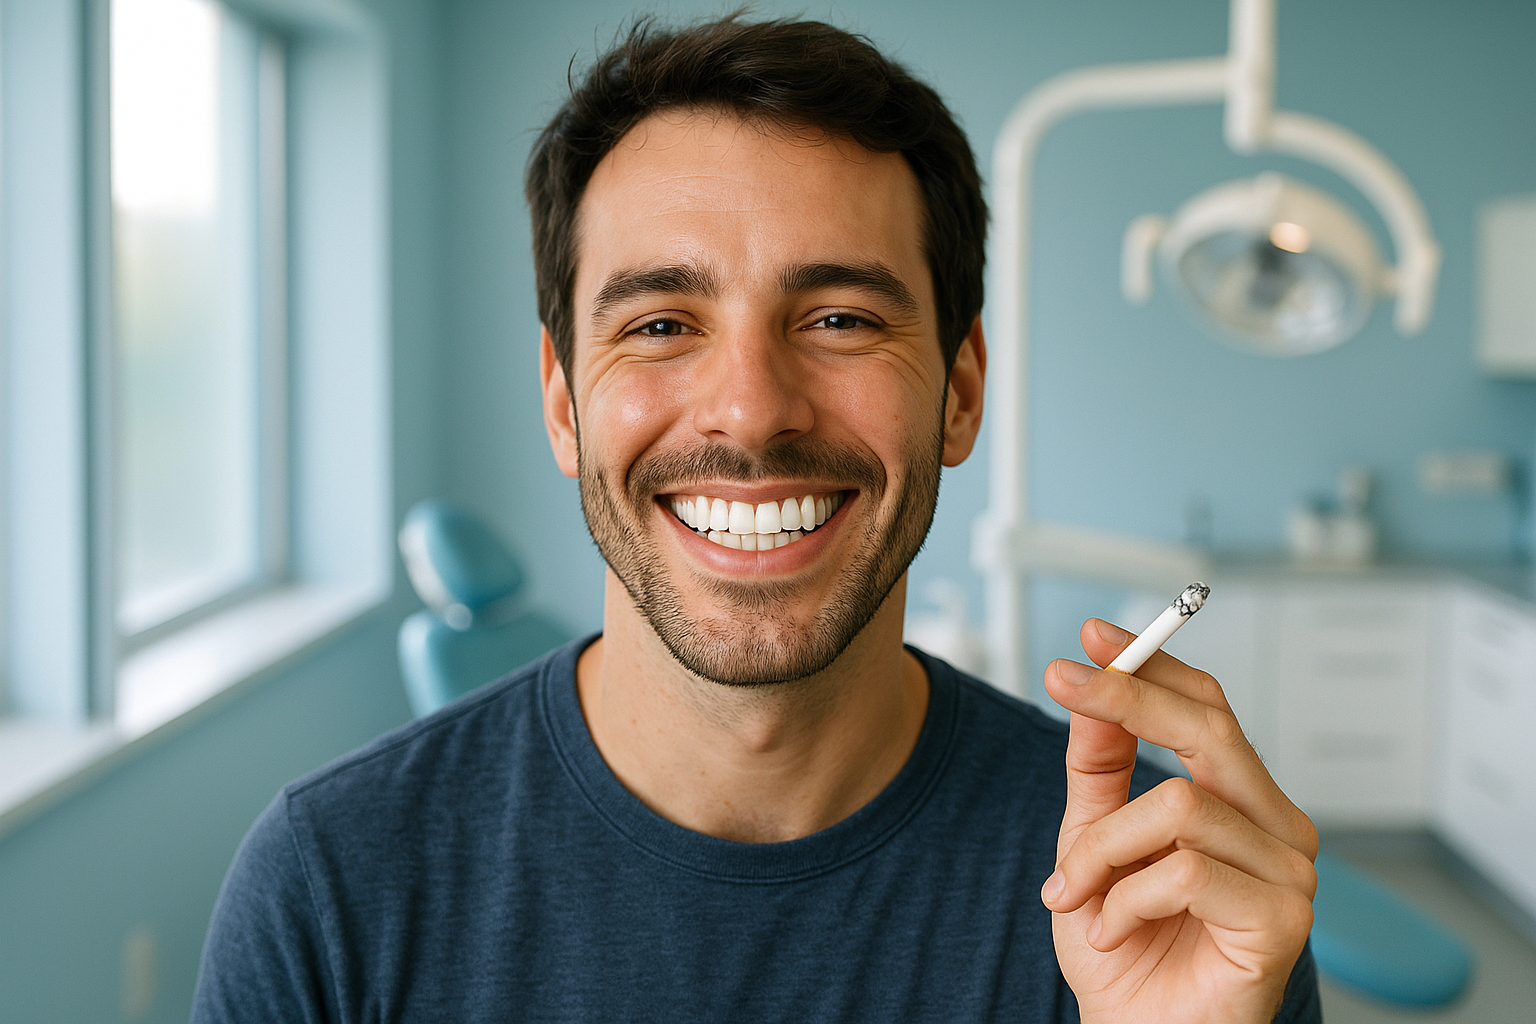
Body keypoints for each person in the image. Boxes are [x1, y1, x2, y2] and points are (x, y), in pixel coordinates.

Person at [192, 16, 1321, 1023]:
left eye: (837, 316)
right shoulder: (331, 886)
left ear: (961, 389)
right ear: (561, 400)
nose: (751, 410)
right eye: (659, 324)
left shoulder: (1153, 896)